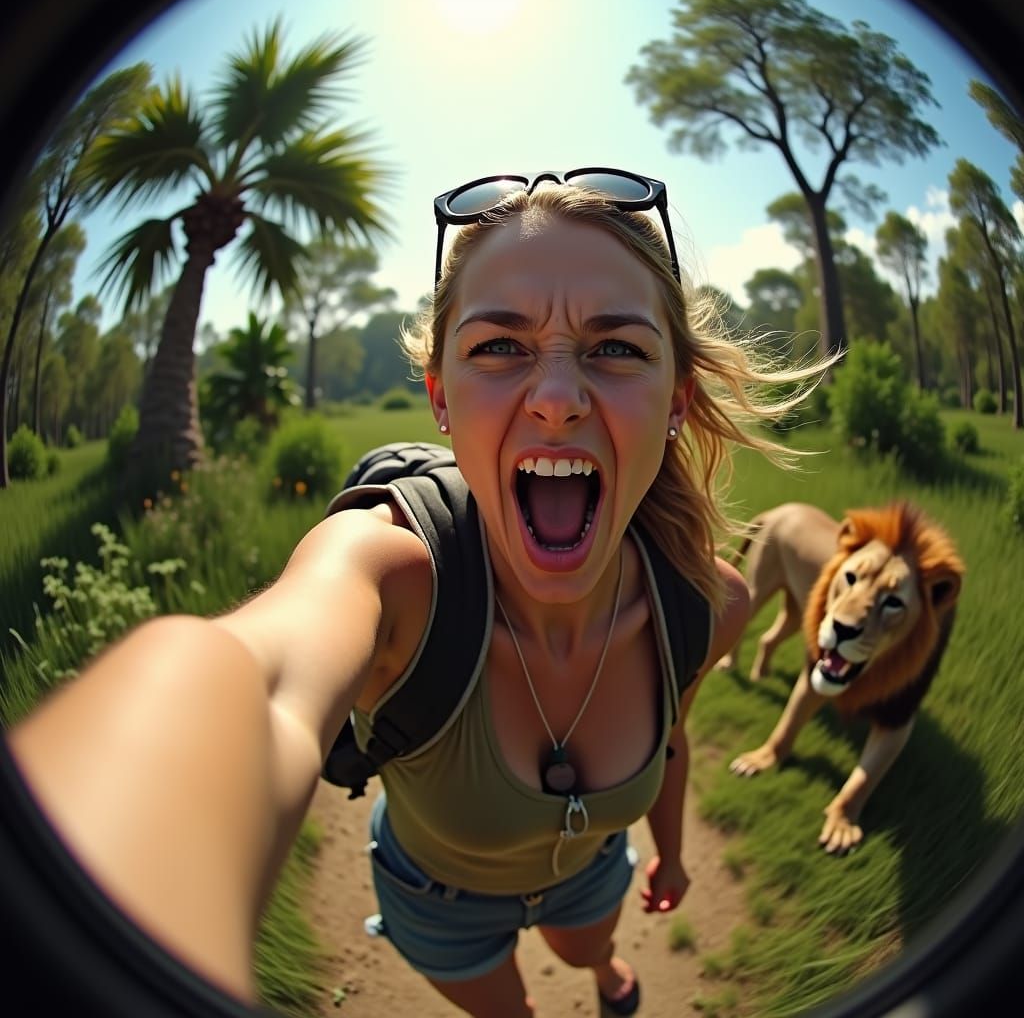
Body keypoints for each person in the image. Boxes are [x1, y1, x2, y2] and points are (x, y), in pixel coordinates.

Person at [6, 170, 828, 1018]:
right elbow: (254, 684)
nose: (554, 399)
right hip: (437, 906)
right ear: (440, 396)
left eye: (616, 348)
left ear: (677, 402)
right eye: (498, 348)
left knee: (593, 949)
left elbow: (671, 742)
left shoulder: (707, 605)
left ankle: (608, 976)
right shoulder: (392, 577)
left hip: (589, 877)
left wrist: (672, 852)